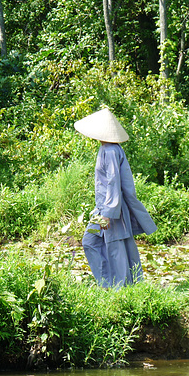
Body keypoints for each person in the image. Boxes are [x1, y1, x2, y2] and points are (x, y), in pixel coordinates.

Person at [74, 108, 157, 287]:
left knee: (115, 248)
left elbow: (113, 181)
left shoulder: (110, 150)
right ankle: (108, 283)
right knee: (91, 241)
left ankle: (118, 289)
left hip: (109, 213)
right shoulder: (107, 148)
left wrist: (108, 214)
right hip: (103, 210)